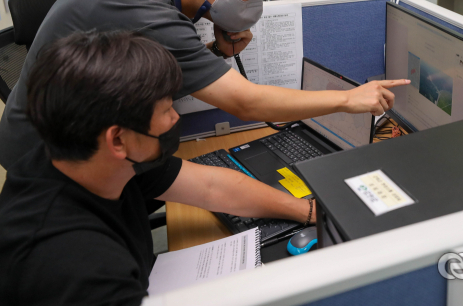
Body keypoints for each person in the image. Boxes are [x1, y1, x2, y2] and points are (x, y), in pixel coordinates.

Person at [0, 0, 408, 170]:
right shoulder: (152, 11)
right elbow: (245, 102)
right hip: (45, 152)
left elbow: (141, 74)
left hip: (96, 131)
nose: (256, 1)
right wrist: (349, 99)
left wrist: (214, 51)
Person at [0, 30, 322, 305]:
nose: (175, 119)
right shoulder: (81, 269)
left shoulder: (89, 157)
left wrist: (307, 211)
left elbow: (212, 186)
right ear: (118, 139)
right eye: (167, 109)